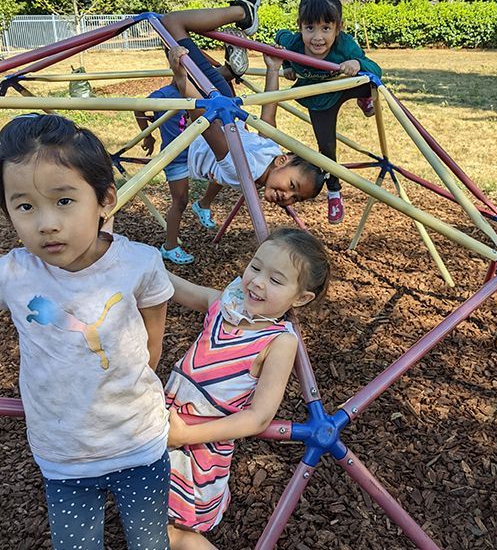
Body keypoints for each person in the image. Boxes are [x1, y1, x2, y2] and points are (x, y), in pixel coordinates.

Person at [0, 114, 174, 549]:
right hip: (64, 456)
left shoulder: (139, 263)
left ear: (105, 200)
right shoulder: (13, 274)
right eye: (24, 206)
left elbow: (155, 329)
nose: (46, 223)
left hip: (139, 444)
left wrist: (141, 369)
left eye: (63, 201)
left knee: (150, 542)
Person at [164, 228, 330, 549]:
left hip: (197, 449)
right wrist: (133, 261)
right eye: (255, 267)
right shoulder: (224, 306)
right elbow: (177, 287)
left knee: (172, 533)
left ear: (301, 298)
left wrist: (184, 436)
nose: (256, 282)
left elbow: (258, 418)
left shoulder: (278, 342)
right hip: (167, 430)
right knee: (146, 515)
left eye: (276, 280)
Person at [133, 29, 250, 264]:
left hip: (199, 151)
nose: (195, 79)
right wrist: (148, 136)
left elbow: (220, 73)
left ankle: (204, 204)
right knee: (180, 200)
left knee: (223, 171)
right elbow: (139, 108)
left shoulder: (204, 93)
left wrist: (232, 63)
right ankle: (170, 245)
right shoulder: (164, 95)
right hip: (176, 155)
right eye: (187, 74)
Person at [167, 42, 326, 211]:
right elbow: (269, 113)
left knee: (176, 38)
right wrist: (273, 69)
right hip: (214, 118)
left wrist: (181, 78)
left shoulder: (244, 174)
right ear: (282, 160)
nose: (287, 197)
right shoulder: (270, 155)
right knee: (182, 41)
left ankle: (174, 37)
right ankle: (190, 38)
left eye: (296, 199)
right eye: (292, 186)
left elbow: (209, 129)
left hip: (186, 137)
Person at [275, 0, 383, 224]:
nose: (317, 37)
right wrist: (288, 66)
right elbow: (280, 39)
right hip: (319, 97)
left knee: (368, 81)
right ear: (300, 27)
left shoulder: (345, 45)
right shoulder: (293, 43)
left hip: (343, 87)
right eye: (310, 28)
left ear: (338, 29)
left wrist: (357, 64)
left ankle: (364, 98)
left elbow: (376, 70)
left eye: (326, 28)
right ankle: (334, 191)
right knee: (326, 148)